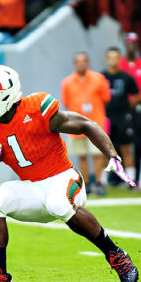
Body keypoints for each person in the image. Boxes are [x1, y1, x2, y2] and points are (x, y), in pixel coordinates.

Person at [0, 65, 138, 282]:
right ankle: (1, 280)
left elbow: (87, 124)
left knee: (58, 204)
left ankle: (116, 255)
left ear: (4, 97)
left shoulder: (37, 109)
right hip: (31, 189)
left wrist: (113, 156)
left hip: (63, 177)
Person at [61, 52, 110, 195]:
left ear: (87, 63)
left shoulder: (98, 78)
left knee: (97, 154)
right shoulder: (67, 82)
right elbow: (66, 103)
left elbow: (105, 98)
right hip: (76, 124)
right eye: (78, 61)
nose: (81, 63)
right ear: (74, 64)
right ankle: (87, 184)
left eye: (84, 61)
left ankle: (100, 182)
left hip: (96, 122)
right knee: (81, 154)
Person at [119, 32, 141, 181]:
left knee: (139, 140)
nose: (130, 46)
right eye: (128, 43)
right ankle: (121, 175)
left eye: (133, 43)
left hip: (138, 107)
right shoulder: (121, 64)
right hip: (122, 108)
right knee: (122, 141)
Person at [102, 47, 139, 186]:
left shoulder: (126, 77)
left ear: (119, 59)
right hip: (106, 117)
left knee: (126, 149)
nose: (113, 60)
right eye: (110, 57)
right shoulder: (101, 77)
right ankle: (102, 182)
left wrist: (125, 107)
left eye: (115, 57)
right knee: (104, 149)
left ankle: (131, 181)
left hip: (123, 116)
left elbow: (136, 95)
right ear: (106, 59)